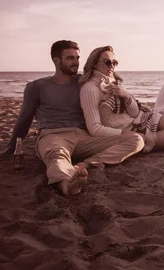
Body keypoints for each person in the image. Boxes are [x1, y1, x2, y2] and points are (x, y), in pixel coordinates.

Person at [1, 41, 144, 196]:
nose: (76, 62)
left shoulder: (84, 82)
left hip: (85, 137)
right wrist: (11, 148)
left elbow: (111, 83)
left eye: (77, 58)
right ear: (56, 61)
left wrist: (125, 96)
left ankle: (86, 165)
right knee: (57, 156)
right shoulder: (37, 87)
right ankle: (67, 184)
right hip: (54, 135)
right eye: (70, 58)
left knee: (136, 140)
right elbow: (24, 119)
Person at [79, 46, 164, 152]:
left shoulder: (115, 83)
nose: (112, 66)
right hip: (125, 131)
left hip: (139, 120)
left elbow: (134, 113)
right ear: (94, 63)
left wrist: (125, 95)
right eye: (107, 62)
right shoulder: (90, 89)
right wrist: (125, 133)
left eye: (114, 62)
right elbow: (94, 129)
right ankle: (145, 143)